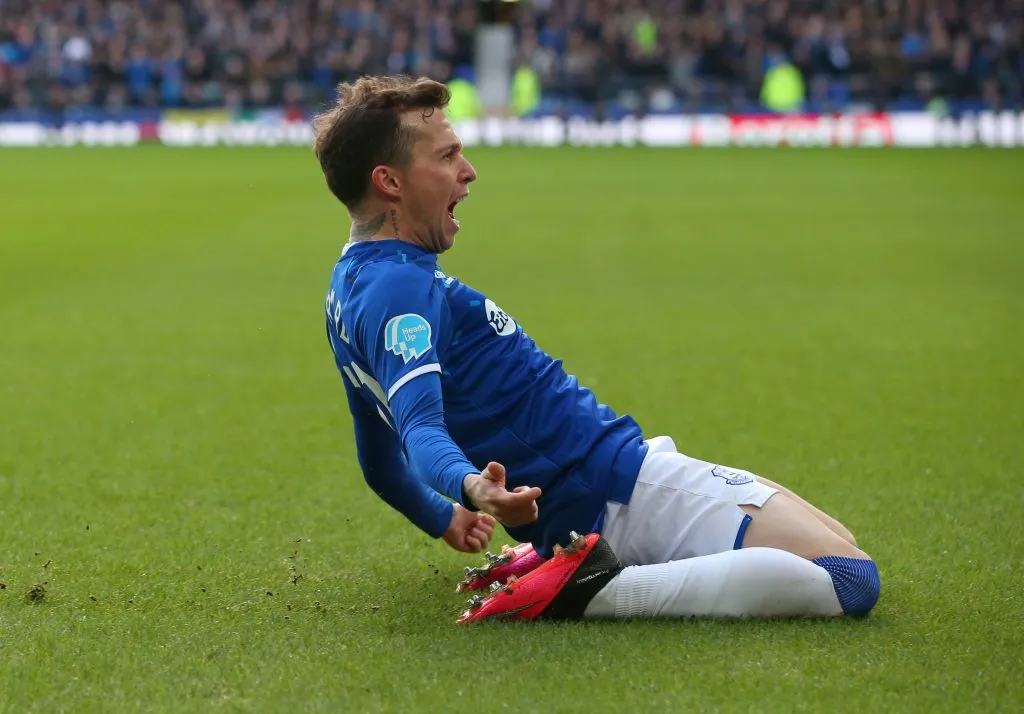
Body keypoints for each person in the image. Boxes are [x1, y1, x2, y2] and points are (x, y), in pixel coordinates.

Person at [313, 75, 881, 623]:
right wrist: (472, 488)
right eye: (446, 156)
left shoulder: (349, 288)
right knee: (848, 577)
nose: (468, 170)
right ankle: (588, 587)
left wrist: (445, 518)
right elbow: (418, 430)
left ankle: (567, 558)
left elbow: (379, 461)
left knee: (839, 539)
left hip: (604, 478)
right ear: (390, 182)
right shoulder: (400, 289)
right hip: (613, 489)